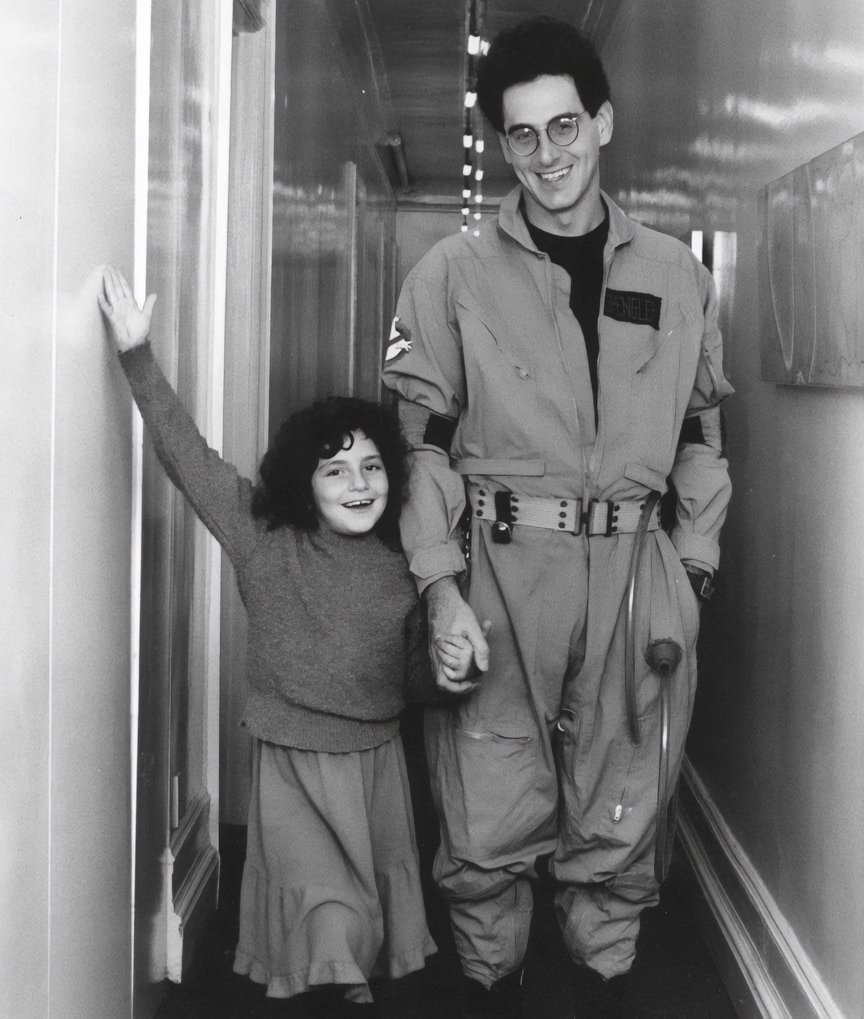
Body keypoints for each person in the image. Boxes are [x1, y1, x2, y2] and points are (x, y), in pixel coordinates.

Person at [381, 15, 733, 1017]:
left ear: (604, 122)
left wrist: (693, 561)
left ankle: (607, 972)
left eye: (565, 126)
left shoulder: (676, 273)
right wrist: (440, 588)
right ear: (501, 143)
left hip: (637, 571)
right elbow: (425, 449)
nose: (548, 155)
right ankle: (491, 979)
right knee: (489, 793)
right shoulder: (451, 274)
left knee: (624, 786)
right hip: (498, 567)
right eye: (523, 135)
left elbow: (703, 434)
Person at [97, 265, 476, 1016]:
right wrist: (137, 356)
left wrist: (452, 667)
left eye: (371, 467)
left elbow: (423, 680)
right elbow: (189, 458)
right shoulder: (263, 539)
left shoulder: (408, 560)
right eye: (337, 471)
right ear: (306, 486)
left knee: (365, 923)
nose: (359, 483)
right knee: (324, 916)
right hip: (293, 768)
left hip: (375, 768)